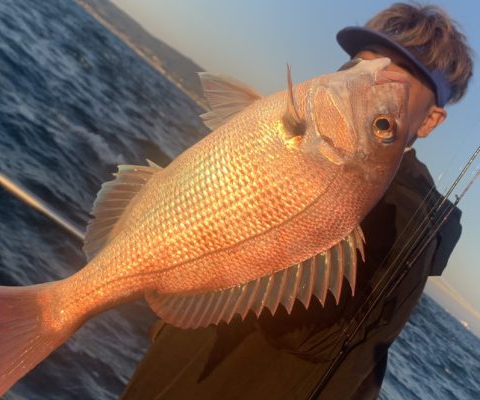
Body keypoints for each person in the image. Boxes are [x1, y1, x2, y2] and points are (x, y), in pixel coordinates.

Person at [120, 4, 473, 399]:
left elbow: (309, 333)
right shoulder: (306, 148)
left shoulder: (406, 220)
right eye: (360, 64)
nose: (372, 79)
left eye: (399, 76)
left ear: (429, 120)